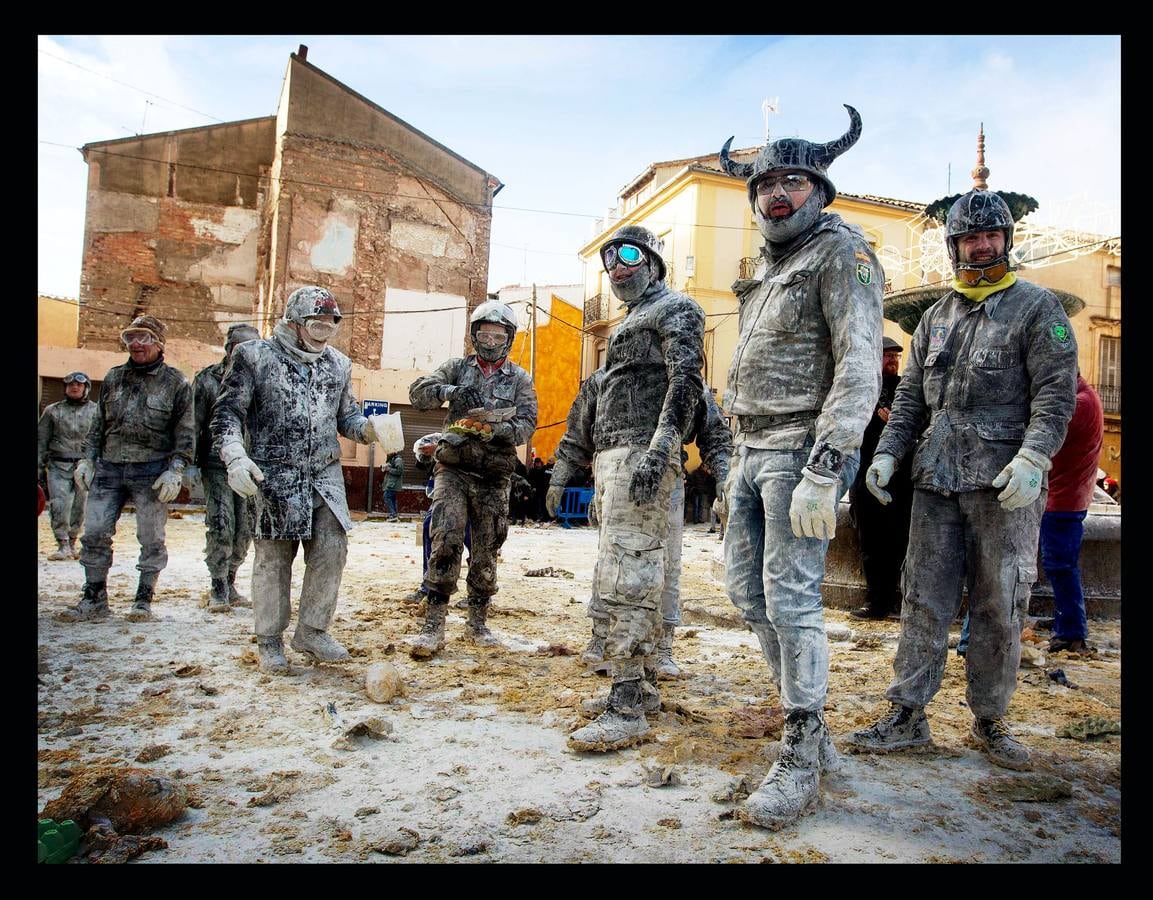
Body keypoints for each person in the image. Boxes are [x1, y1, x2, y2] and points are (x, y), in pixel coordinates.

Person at [847, 186, 1078, 772]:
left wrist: (1034, 459)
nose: (981, 246)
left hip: (1004, 484)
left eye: (991, 236)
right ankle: (908, 714)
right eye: (970, 237)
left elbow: (1055, 396)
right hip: (935, 480)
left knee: (1001, 601)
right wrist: (889, 455)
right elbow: (909, 403)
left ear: (1006, 239)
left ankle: (991, 718)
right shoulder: (934, 317)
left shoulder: (1037, 309)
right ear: (954, 246)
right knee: (923, 598)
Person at [715, 105, 882, 828]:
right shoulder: (768, 264)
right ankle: (809, 732)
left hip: (797, 453)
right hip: (749, 450)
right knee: (744, 596)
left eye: (791, 181)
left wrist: (827, 465)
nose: (775, 195)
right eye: (763, 185)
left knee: (791, 599)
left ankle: (801, 742)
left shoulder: (842, 253)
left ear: (818, 190)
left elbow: (857, 362)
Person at [545, 224, 705, 752]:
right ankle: (644, 687)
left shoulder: (674, 308)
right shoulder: (629, 323)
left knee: (633, 570)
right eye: (609, 258)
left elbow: (687, 380)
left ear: (655, 261)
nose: (617, 265)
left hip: (641, 455)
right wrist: (568, 468)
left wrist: (660, 449)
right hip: (616, 458)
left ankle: (628, 701)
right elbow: (590, 407)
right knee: (623, 568)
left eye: (630, 253)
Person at [211, 286, 380, 674]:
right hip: (274, 474)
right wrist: (235, 456)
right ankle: (270, 639)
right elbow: (227, 415)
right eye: (315, 327)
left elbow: (346, 417)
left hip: (324, 473)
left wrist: (368, 430)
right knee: (273, 557)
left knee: (332, 549)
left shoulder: (338, 365)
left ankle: (312, 630)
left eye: (329, 327)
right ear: (293, 323)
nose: (322, 334)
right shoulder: (254, 357)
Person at [553, 370, 731, 685]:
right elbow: (578, 426)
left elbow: (713, 430)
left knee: (667, 564)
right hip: (613, 475)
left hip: (667, 477)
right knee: (611, 561)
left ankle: (662, 647)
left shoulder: (684, 378)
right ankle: (602, 636)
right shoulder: (606, 375)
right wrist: (560, 472)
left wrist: (722, 471)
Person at [407, 301, 538, 657]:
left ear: (509, 338)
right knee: (445, 537)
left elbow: (527, 425)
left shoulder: (520, 379)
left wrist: (497, 428)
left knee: (487, 547)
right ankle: (433, 624)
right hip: (454, 469)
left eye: (498, 335)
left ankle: (478, 623)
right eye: (484, 333)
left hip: (495, 474)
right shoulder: (456, 368)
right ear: (474, 335)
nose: (491, 340)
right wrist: (450, 393)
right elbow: (417, 394)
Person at [60, 316, 194, 623]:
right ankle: (94, 597)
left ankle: (143, 598)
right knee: (94, 532)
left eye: (144, 338)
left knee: (151, 537)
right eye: (131, 337)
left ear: (159, 344)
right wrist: (88, 459)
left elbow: (185, 433)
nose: (135, 344)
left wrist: (176, 469)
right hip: (108, 469)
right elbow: (98, 428)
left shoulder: (176, 382)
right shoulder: (113, 377)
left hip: (151, 471)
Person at [191, 324, 261, 612]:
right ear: (229, 348)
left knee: (245, 528)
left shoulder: (262, 379)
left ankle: (230, 581)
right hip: (217, 464)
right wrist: (188, 464)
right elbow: (193, 423)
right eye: (240, 346)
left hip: (253, 467)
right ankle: (217, 585)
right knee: (221, 524)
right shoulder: (208, 380)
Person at [849, 336, 913, 619]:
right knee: (870, 542)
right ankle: (876, 601)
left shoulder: (906, 390)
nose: (893, 360)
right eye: (887, 355)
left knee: (900, 540)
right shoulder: (862, 389)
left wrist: (897, 424)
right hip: (864, 478)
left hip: (900, 481)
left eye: (896, 357)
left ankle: (899, 598)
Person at [38, 372, 98, 560]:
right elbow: (41, 440)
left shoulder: (96, 411)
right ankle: (62, 543)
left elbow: (101, 438)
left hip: (84, 467)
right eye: (70, 384)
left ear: (86, 388)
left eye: (79, 385)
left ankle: (73, 542)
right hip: (58, 465)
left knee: (80, 507)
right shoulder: (52, 411)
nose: (74, 387)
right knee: (60, 504)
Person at [382, 451, 404, 522]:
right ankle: (394, 515)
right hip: (390, 483)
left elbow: (399, 471)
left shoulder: (398, 460)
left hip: (393, 484)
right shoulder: (392, 459)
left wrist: (389, 469)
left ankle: (393, 514)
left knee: (387, 497)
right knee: (392, 499)